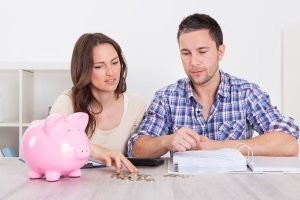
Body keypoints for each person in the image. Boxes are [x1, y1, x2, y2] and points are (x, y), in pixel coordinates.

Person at [128, 13, 299, 158]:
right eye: (186, 53)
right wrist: (166, 141)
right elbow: (136, 148)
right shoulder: (166, 97)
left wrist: (214, 146)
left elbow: (289, 143)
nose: (194, 62)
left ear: (220, 51)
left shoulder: (247, 93)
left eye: (202, 52)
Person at [50, 33, 146, 172]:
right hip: (75, 186)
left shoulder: (137, 105)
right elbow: (50, 141)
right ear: (84, 70)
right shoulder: (67, 101)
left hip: (118, 185)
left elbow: (138, 152)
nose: (111, 72)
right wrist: (93, 150)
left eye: (114, 63)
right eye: (99, 66)